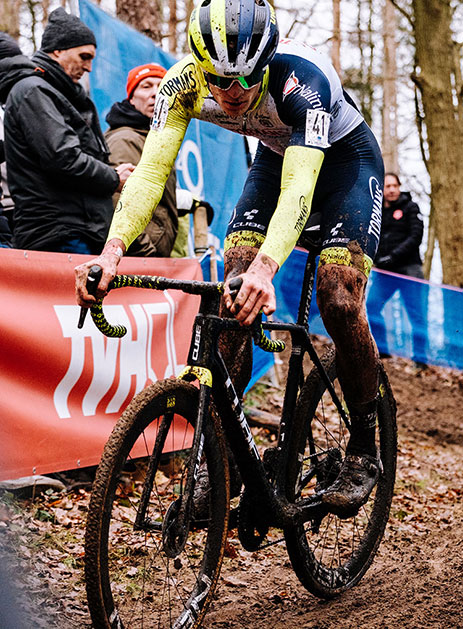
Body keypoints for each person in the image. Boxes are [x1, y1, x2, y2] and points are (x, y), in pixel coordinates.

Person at [76, 0, 385, 517]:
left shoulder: (300, 81)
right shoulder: (180, 84)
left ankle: (364, 446)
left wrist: (269, 268)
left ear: (266, 64)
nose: (234, 95)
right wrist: (111, 254)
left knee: (337, 296)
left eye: (247, 81)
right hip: (274, 158)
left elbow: (300, 186)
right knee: (231, 302)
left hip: (342, 165)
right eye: (220, 82)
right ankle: (221, 461)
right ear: (199, 66)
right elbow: (150, 175)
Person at [0, 8, 134, 254]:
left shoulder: (53, 92)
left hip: (77, 231)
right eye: (84, 56)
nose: (89, 67)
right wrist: (114, 178)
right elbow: (63, 157)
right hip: (60, 235)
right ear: (58, 50)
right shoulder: (34, 91)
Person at [105, 62, 213, 257]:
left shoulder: (153, 138)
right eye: (146, 86)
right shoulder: (126, 139)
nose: (155, 93)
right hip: (139, 258)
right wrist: (145, 251)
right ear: (131, 98)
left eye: (161, 86)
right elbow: (117, 201)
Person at [367, 172, 428, 367]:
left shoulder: (411, 207)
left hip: (409, 269)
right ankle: (382, 351)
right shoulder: (377, 212)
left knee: (416, 314)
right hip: (385, 272)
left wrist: (393, 256)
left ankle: (420, 360)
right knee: (372, 305)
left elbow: (415, 237)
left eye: (395, 186)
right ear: (382, 190)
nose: (391, 189)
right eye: (387, 186)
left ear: (399, 187)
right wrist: (376, 258)